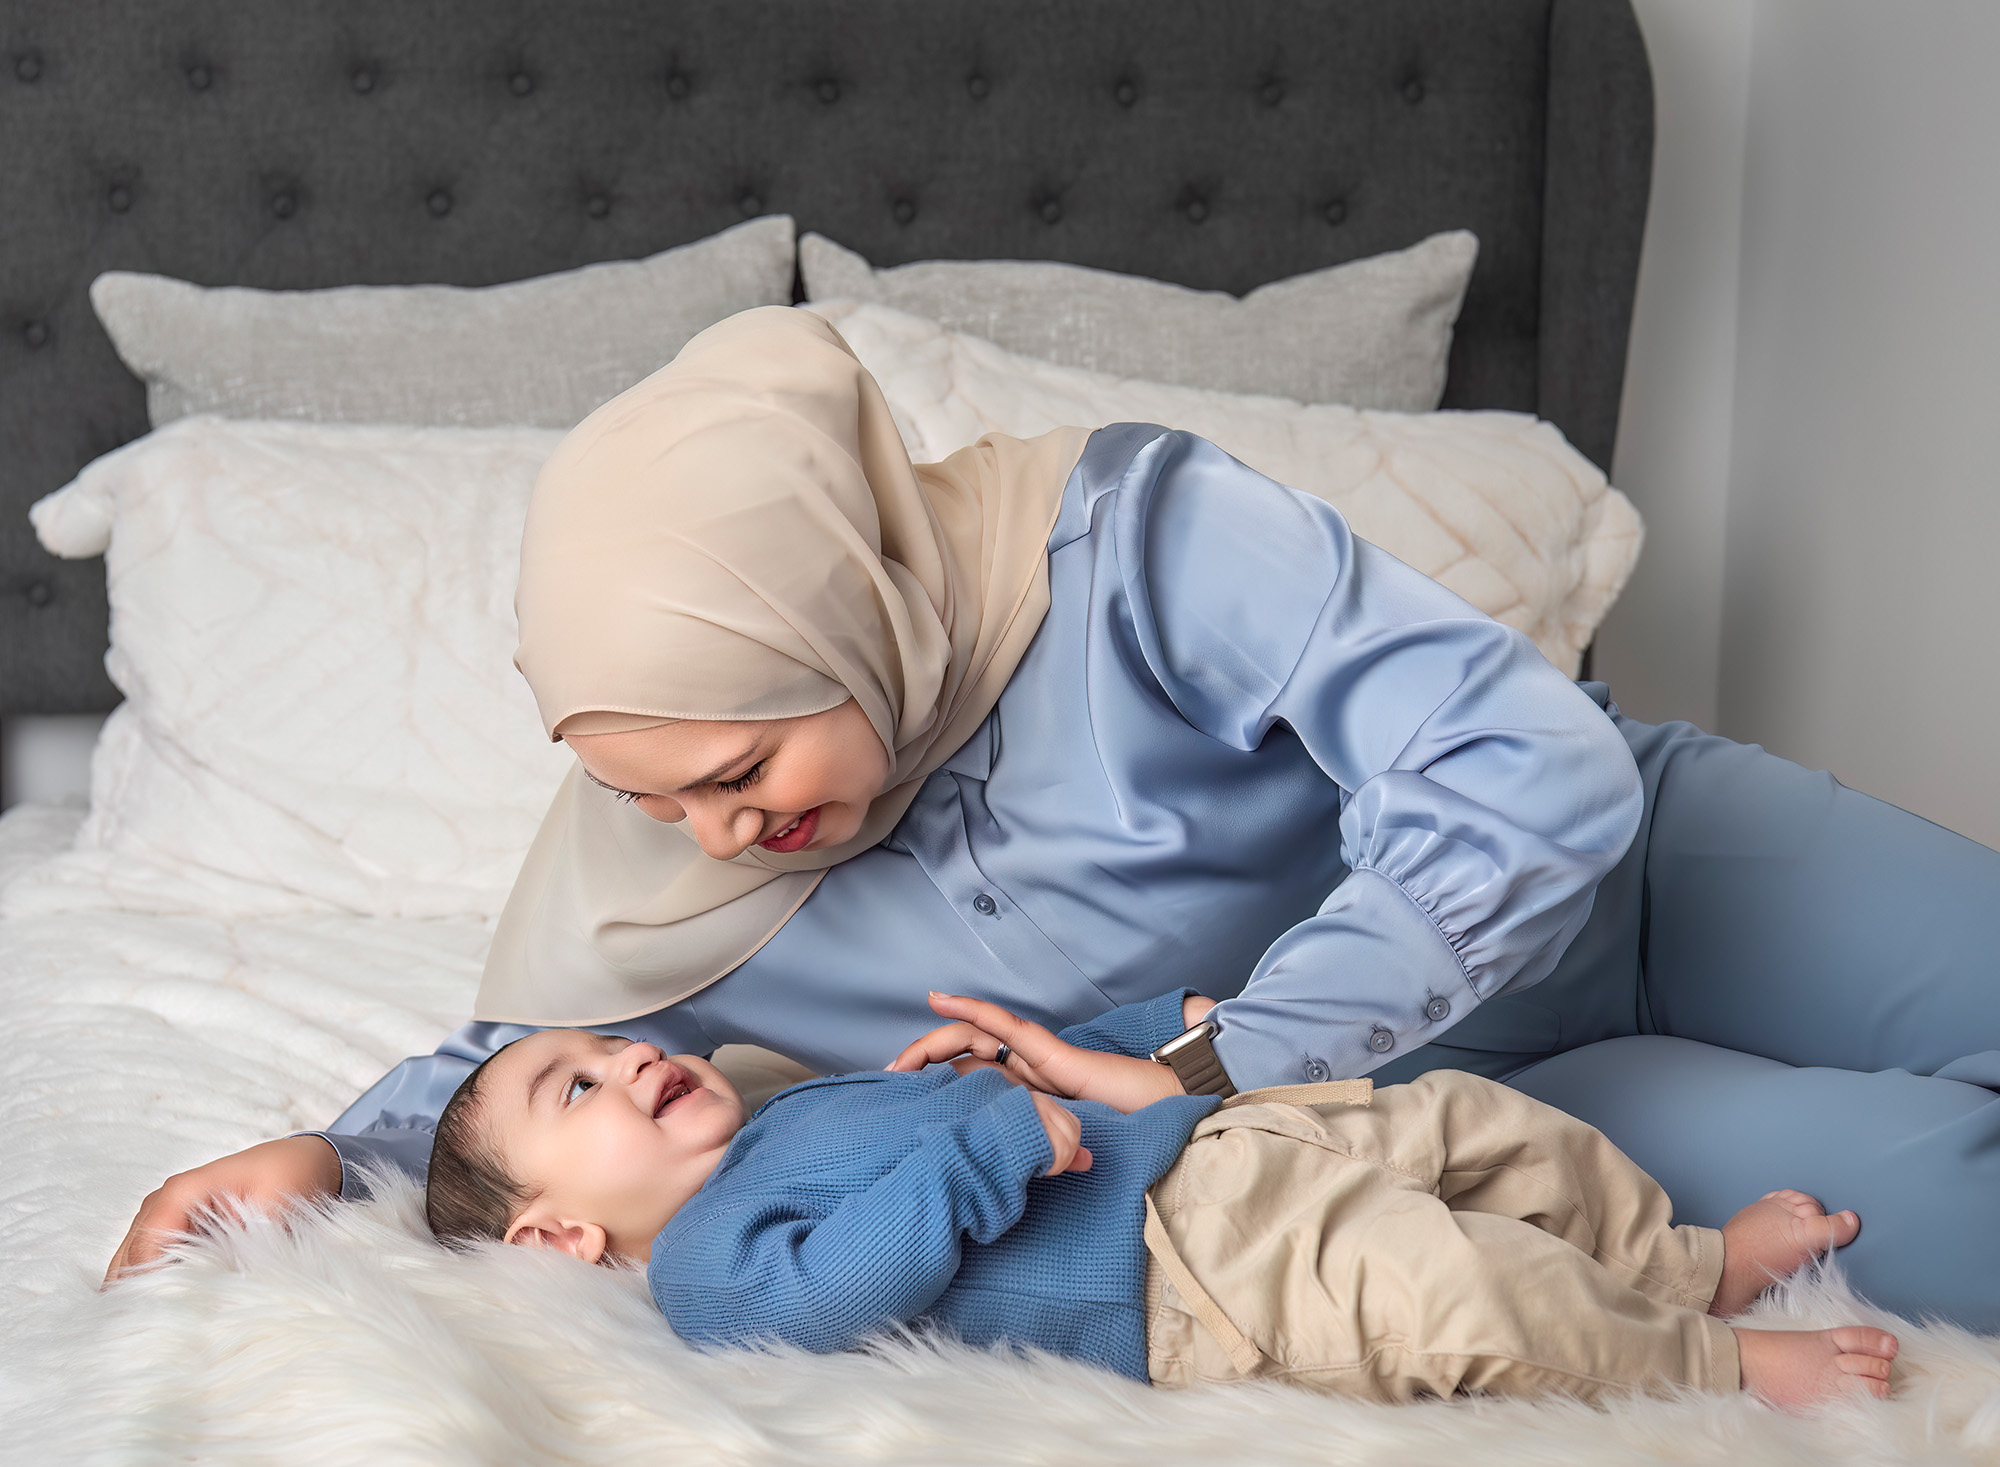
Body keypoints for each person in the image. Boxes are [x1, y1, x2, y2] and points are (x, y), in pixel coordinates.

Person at [106, 308, 2000, 1336]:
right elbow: (541, 1097)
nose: (714, 836)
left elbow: (1527, 774)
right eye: (644, 790)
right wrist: (317, 1156)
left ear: (848, 601)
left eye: (746, 760)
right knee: (1960, 1217)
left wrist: (1213, 1054)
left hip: (1646, 870)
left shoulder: (1130, 537)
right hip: (1475, 1118)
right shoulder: (680, 877)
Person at [423, 990, 1898, 1408]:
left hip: (1228, 1148)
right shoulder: (704, 1269)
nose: (629, 1063)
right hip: (1185, 1278)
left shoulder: (794, 1107)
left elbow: (1062, 1100)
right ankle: (1713, 1362)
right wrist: (978, 1145)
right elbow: (827, 1300)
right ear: (560, 1234)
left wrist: (1099, 1047)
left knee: (1497, 1134)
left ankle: (1678, 1259)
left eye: (613, 1045)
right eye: (576, 1091)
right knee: (1455, 1288)